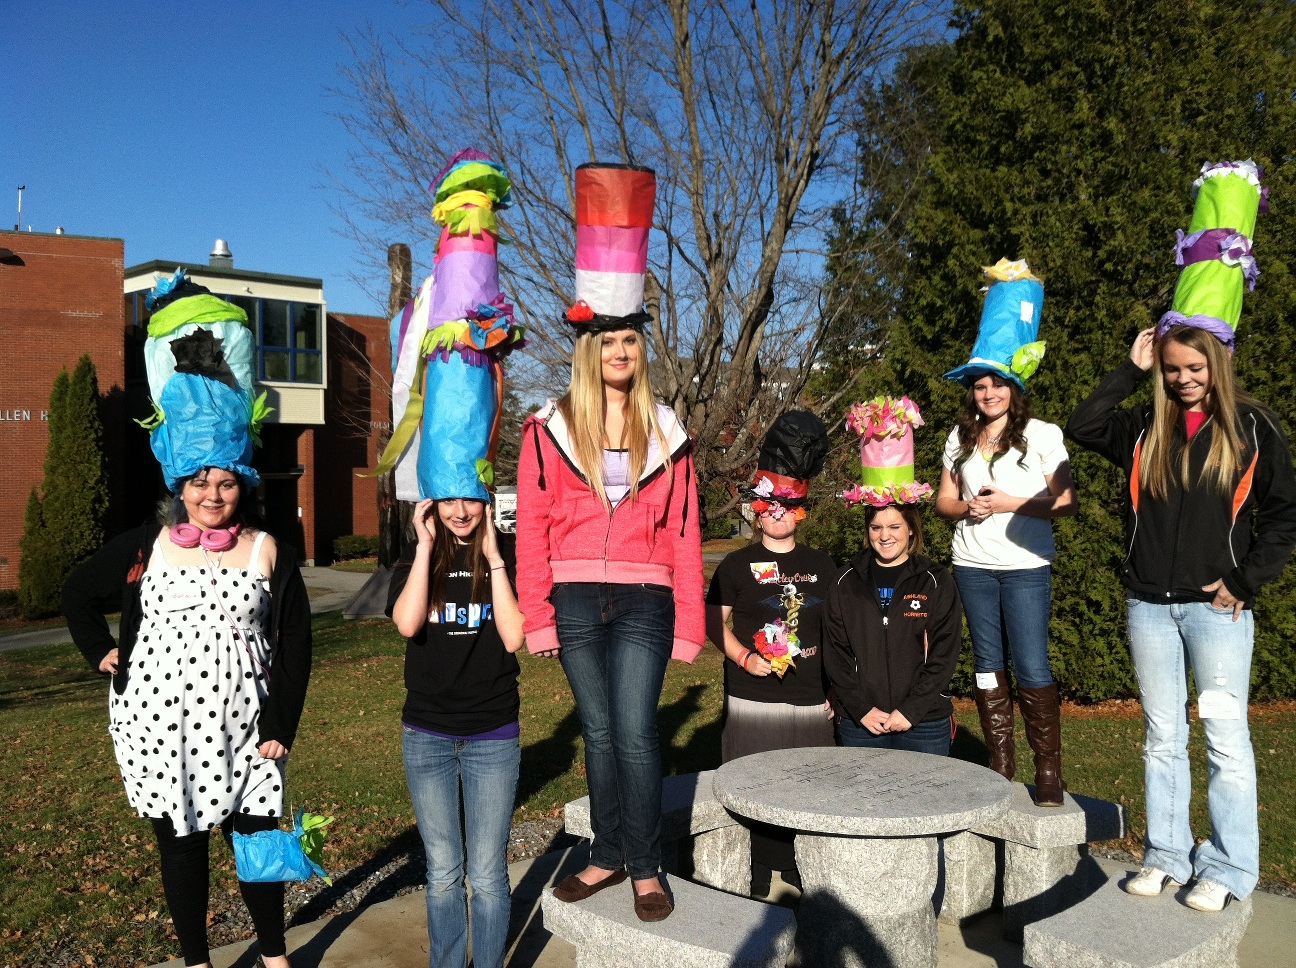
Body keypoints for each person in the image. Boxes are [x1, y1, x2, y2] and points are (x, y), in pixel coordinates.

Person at [63, 271, 309, 968]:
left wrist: (280, 726)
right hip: (160, 725)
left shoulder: (269, 552)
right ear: (180, 483)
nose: (211, 493)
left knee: (258, 841)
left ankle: (273, 956)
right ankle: (197, 961)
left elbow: (295, 647)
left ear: (243, 484)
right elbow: (78, 592)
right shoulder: (146, 544)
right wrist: (102, 654)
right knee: (181, 846)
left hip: (248, 732)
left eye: (225, 481)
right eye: (199, 480)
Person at [517, 163, 704, 922]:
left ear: (640, 347)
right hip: (572, 596)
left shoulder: (670, 432)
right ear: (589, 349)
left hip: (646, 599)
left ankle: (646, 864)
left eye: (630, 338)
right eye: (608, 339)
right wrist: (536, 612)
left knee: (633, 731)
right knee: (597, 733)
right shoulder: (548, 427)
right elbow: (530, 526)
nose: (620, 350)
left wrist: (690, 623)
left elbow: (687, 537)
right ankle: (603, 853)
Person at [1068, 327, 1296, 909]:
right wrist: (1129, 368)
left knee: (1224, 741)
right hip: (1149, 608)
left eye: (1195, 366)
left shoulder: (1253, 427)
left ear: (1217, 364)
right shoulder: (1146, 427)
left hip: (1215, 615)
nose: (1184, 378)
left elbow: (1282, 517)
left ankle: (1228, 866)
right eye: (1172, 368)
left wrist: (1245, 581)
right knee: (1162, 738)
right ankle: (1167, 856)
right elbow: (1084, 424)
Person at [938, 259, 1077, 805]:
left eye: (997, 382)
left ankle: (1048, 773)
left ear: (1013, 387)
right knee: (987, 665)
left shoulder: (1043, 433)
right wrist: (965, 507)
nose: (988, 392)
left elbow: (1065, 501)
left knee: (1032, 665)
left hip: (1024, 568)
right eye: (980, 384)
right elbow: (944, 500)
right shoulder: (958, 438)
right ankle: (1000, 765)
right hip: (972, 566)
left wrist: (1011, 503)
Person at [388, 498, 523, 968]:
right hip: (427, 735)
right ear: (432, 505)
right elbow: (407, 622)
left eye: (471, 501)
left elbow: (513, 637)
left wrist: (495, 559)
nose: (460, 512)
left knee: (486, 872)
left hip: (493, 734)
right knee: (443, 870)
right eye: (449, 502)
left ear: (486, 502)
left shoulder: (506, 554)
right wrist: (425, 547)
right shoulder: (413, 556)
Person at [706, 411, 835, 896]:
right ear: (756, 509)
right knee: (753, 786)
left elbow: (838, 635)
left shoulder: (822, 565)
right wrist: (744, 657)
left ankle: (798, 865)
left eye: (786, 504)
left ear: (799, 508)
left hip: (809, 699)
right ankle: (758, 870)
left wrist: (835, 693)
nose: (777, 512)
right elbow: (712, 624)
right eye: (769, 504)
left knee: (807, 787)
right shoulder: (735, 566)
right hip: (751, 696)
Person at [828, 395, 962, 753]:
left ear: (912, 530)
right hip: (862, 723)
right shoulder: (845, 582)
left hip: (923, 723)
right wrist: (859, 708)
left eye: (894, 526)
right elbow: (836, 654)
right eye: (875, 527)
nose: (884, 536)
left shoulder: (936, 582)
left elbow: (944, 653)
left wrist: (912, 709)